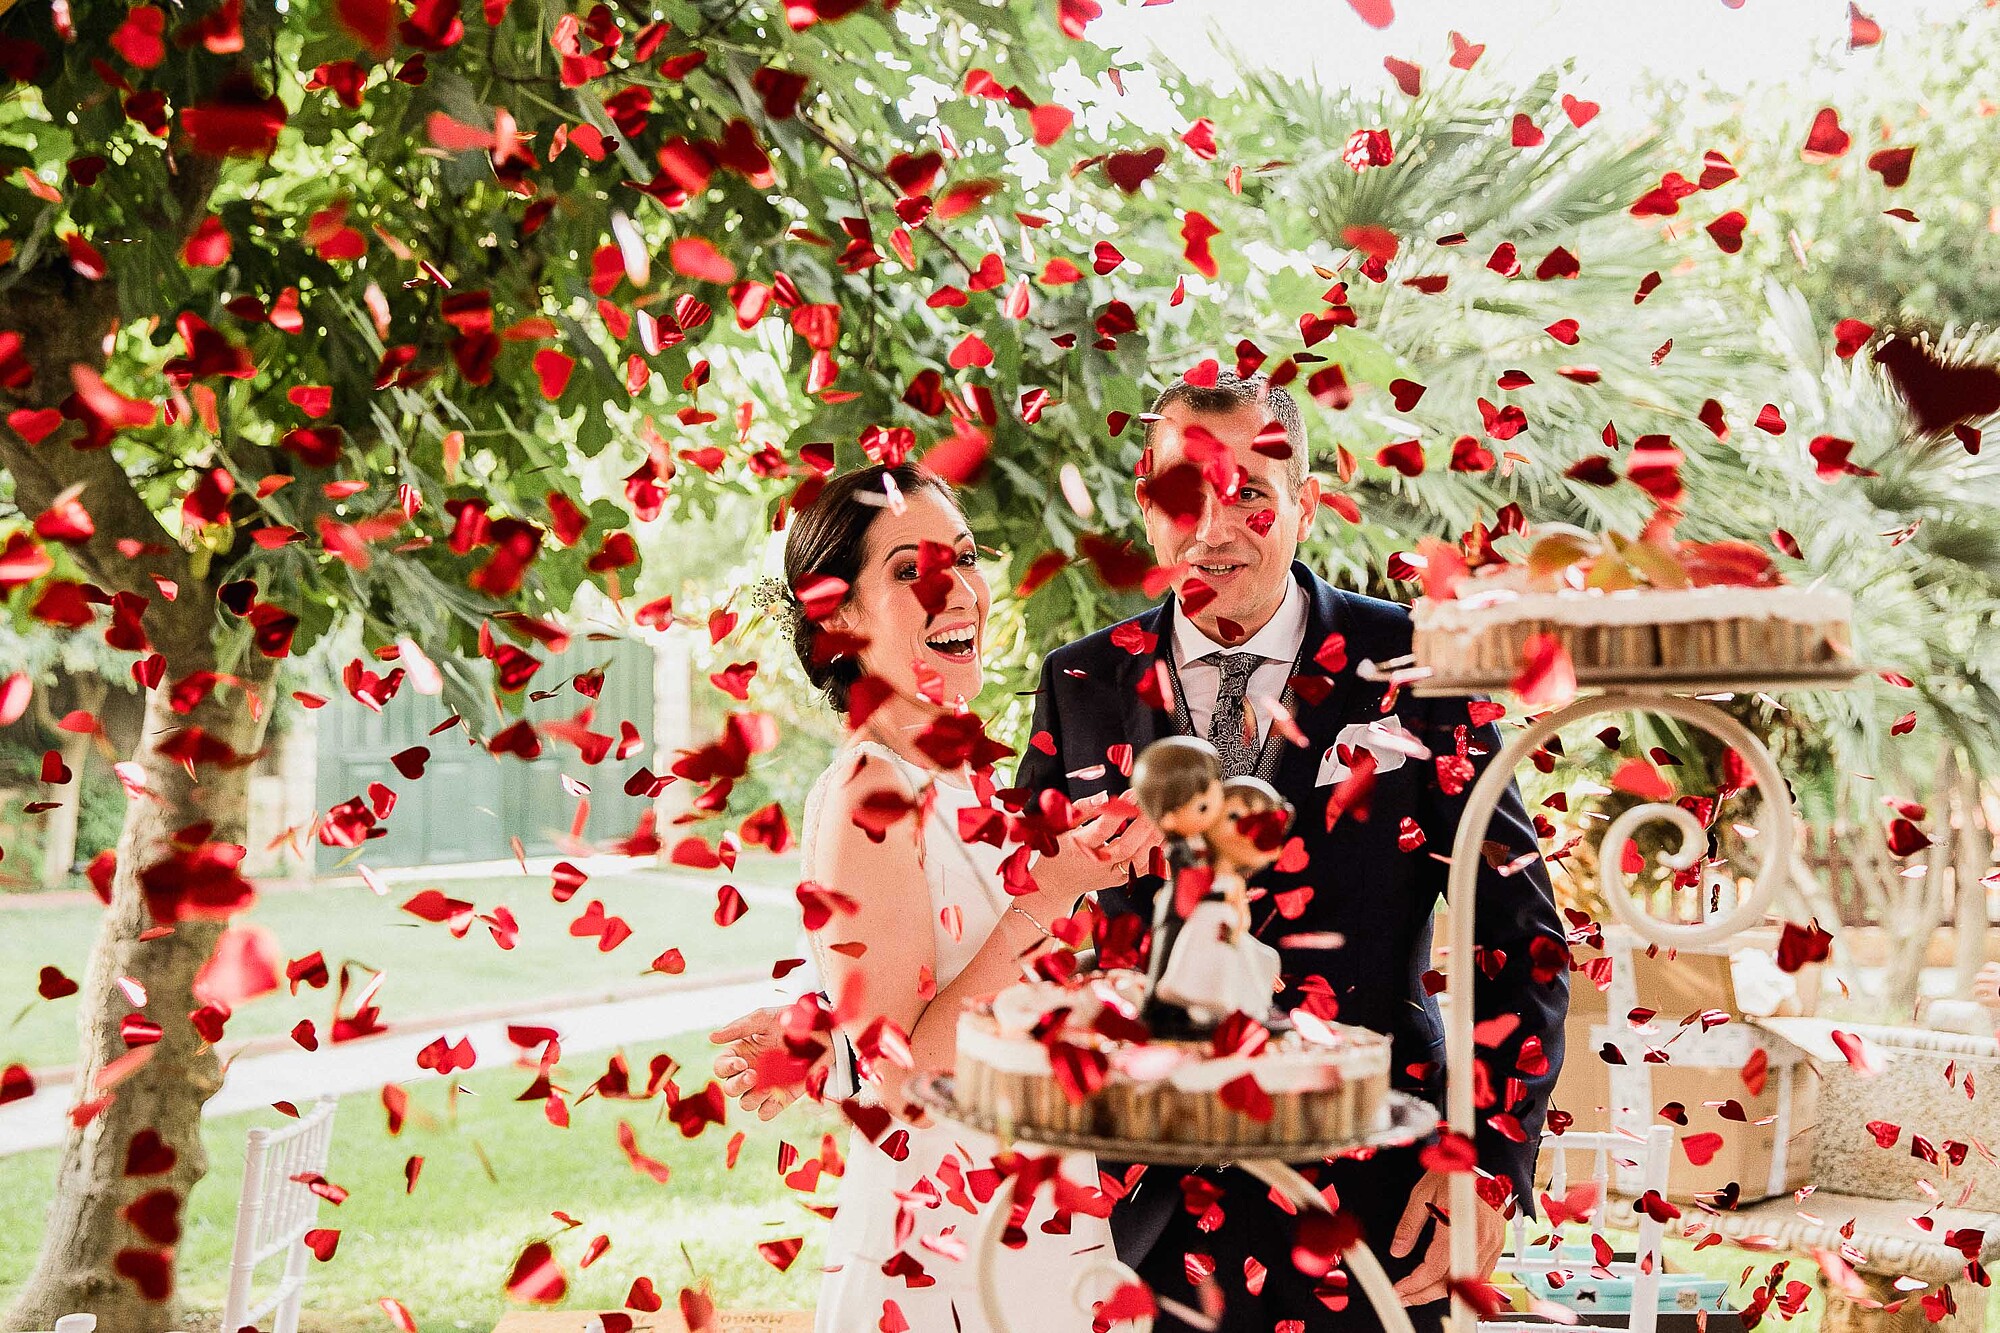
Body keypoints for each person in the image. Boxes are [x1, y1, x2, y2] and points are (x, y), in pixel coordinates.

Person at [715, 371, 1570, 1331]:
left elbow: (1520, 936)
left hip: (1372, 1199)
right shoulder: (1079, 680)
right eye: (1187, 494)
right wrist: (838, 1022)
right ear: (1147, 507)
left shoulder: (1414, 666)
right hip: (1130, 1223)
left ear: (1307, 504)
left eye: (1253, 489)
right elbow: (1026, 919)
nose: (1219, 523)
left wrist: (1487, 1165)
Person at [762, 462, 1147, 1332]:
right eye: (909, 570)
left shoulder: (969, 774)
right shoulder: (867, 789)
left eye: (964, 556)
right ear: (840, 617)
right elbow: (899, 1081)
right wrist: (1045, 900)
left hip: (1040, 1231)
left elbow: (985, 998)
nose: (958, 589)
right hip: (937, 1262)